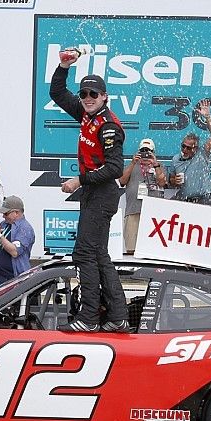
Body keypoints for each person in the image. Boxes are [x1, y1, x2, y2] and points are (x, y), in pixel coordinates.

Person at [49, 51, 129, 333]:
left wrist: (79, 181)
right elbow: (57, 92)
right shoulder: (85, 113)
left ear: (104, 96)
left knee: (84, 253)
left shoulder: (108, 126)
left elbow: (116, 169)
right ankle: (118, 316)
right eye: (84, 93)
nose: (87, 97)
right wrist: (63, 66)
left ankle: (90, 318)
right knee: (97, 255)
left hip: (103, 192)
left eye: (94, 93)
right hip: (94, 194)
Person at [166, 100, 211, 204]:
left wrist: (207, 117)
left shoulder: (202, 153)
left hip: (205, 197)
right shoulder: (176, 159)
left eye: (188, 148)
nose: (185, 150)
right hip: (186, 200)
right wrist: (174, 181)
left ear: (195, 148)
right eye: (183, 146)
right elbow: (171, 179)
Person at [119, 138, 166, 254]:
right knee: (131, 248)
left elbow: (162, 182)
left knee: (153, 249)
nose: (145, 154)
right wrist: (133, 162)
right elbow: (122, 181)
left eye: (148, 151)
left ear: (153, 152)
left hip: (153, 215)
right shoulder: (132, 165)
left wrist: (155, 164)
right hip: (133, 211)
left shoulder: (159, 166)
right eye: (143, 151)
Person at [0, 195, 36, 286]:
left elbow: (15, 252)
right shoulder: (4, 224)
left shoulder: (25, 228)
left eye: (6, 213)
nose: (3, 216)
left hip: (12, 280)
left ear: (16, 213)